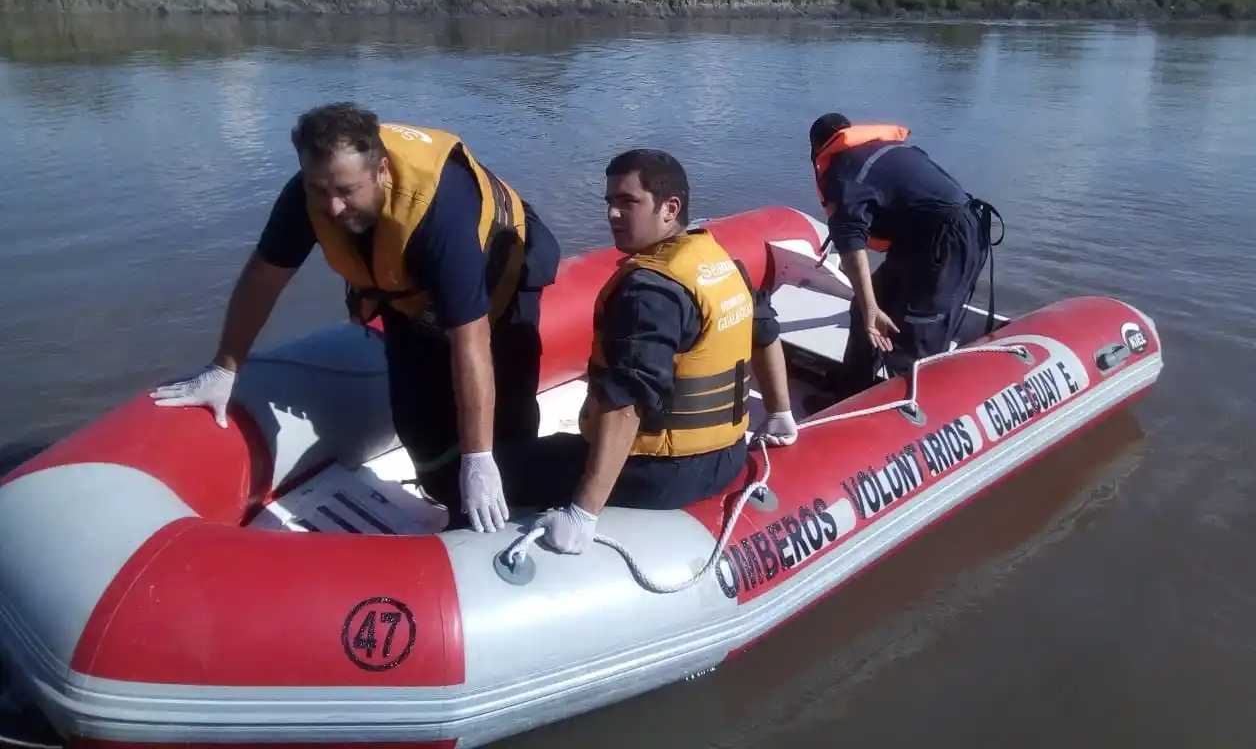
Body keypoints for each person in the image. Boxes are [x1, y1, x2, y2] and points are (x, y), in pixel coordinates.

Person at [149, 102, 561, 534]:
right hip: (410, 298)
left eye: (347, 190)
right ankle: (449, 489)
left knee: (505, 424)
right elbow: (264, 278)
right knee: (420, 426)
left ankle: (543, 486)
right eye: (320, 190)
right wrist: (224, 365)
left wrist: (478, 460)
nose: (334, 207)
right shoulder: (309, 195)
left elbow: (470, 337)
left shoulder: (440, 211)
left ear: (382, 170)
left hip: (501, 283)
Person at [500, 148, 798, 555]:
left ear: (670, 208)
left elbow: (625, 403)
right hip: (726, 458)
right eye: (609, 202)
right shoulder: (723, 263)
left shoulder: (648, 291)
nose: (612, 215)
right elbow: (764, 334)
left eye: (628, 202)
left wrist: (582, 514)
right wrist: (780, 413)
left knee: (499, 470)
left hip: (658, 474)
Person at [808, 112, 1002, 397]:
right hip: (920, 237)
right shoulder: (882, 150)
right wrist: (869, 305)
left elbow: (851, 247)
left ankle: (908, 415)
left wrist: (872, 307)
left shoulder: (843, 174)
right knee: (863, 309)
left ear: (816, 151)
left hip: (949, 240)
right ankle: (849, 394)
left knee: (917, 333)